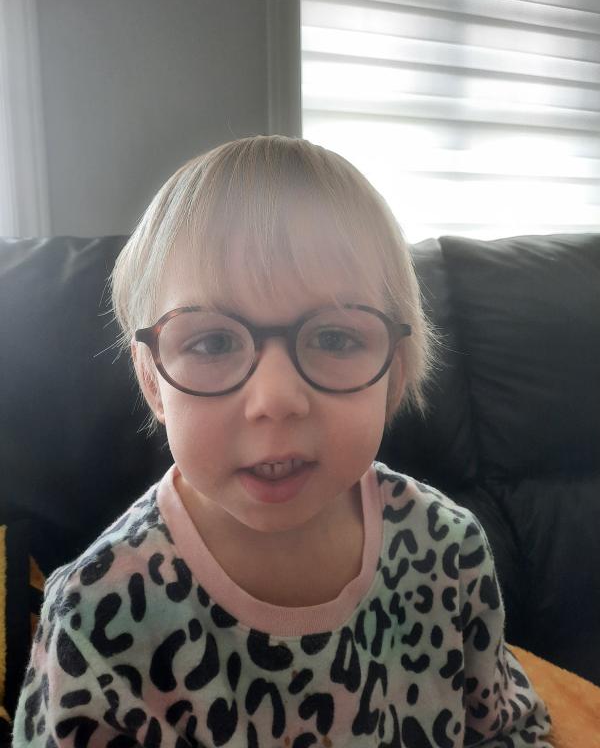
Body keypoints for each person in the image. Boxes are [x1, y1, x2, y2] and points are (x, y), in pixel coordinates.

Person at [12, 135, 552, 747]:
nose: (275, 399)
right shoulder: (94, 618)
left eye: (334, 338)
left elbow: (508, 728)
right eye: (212, 342)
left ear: (395, 372)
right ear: (153, 382)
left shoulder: (449, 549)